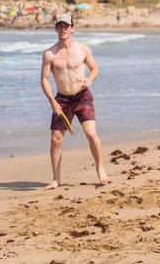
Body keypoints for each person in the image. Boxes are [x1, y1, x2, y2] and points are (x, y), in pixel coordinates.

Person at [41, 14, 110, 188]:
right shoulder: (50, 54)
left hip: (82, 96)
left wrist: (90, 79)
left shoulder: (83, 49)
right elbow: (44, 79)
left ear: (72, 28)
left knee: (91, 134)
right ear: (56, 28)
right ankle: (56, 179)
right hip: (61, 100)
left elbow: (94, 69)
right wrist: (52, 102)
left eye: (66, 26)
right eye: (60, 26)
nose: (63, 29)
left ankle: (100, 169)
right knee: (55, 140)